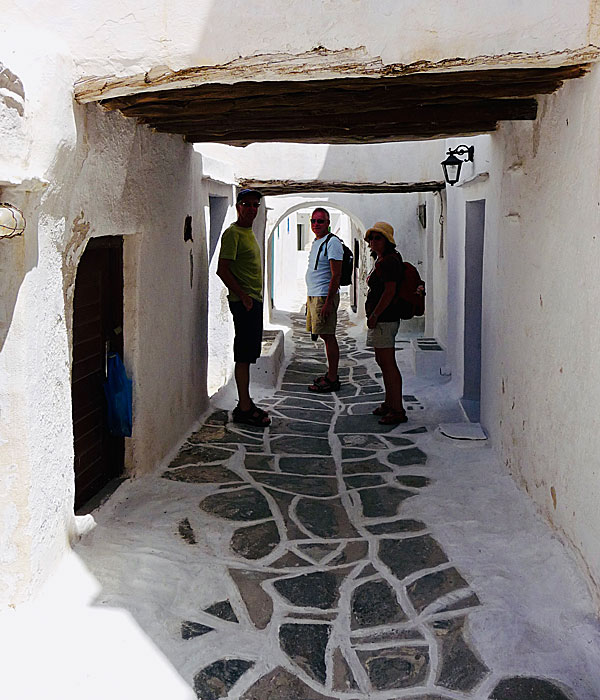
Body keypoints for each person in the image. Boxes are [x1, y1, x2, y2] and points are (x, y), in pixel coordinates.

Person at [216, 189, 270, 427]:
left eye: (255, 205)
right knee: (244, 356)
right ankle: (244, 407)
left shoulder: (248, 233)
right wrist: (244, 297)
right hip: (244, 304)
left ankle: (246, 403)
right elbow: (222, 269)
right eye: (246, 204)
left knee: (248, 355)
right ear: (238, 207)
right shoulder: (233, 234)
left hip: (252, 302)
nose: (251, 209)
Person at [364, 221, 409, 425]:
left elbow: (389, 291)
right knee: (383, 362)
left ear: (387, 241)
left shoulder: (389, 262)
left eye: (378, 237)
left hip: (385, 319)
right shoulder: (384, 260)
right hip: (383, 319)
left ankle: (397, 409)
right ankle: (389, 403)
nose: (373, 241)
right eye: (371, 237)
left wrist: (375, 314)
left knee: (388, 364)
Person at [305, 207, 343, 393]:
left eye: (320, 221)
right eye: (313, 221)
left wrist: (328, 302)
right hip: (314, 295)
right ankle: (330, 374)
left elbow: (336, 275)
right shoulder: (317, 241)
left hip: (323, 295)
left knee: (328, 336)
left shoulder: (332, 242)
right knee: (323, 334)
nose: (316, 224)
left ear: (328, 223)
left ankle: (333, 378)